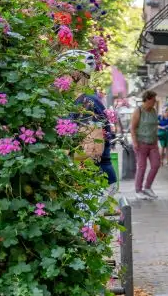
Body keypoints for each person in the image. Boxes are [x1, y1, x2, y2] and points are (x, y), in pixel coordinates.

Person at [60, 50, 117, 190]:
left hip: (95, 182)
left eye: (61, 74)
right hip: (89, 180)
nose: (58, 79)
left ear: (76, 74)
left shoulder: (85, 103)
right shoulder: (80, 101)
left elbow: (93, 150)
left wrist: (57, 155)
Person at [130, 90, 162, 199]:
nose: (154, 101)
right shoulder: (138, 111)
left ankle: (147, 188)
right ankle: (138, 190)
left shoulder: (153, 110)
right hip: (141, 143)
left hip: (153, 143)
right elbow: (132, 128)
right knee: (142, 167)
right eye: (153, 99)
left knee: (156, 164)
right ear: (147, 99)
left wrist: (157, 143)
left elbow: (155, 127)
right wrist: (134, 142)